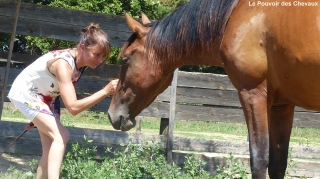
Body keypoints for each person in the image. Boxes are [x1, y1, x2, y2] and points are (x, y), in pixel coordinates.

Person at [7, 23, 118, 179]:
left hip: (46, 97)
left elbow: (54, 88)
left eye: (103, 57)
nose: (100, 60)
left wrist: (39, 118)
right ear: (83, 47)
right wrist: (106, 91)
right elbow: (72, 107)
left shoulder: (80, 65)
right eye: (97, 54)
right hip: (26, 92)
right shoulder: (64, 64)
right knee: (61, 136)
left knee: (49, 145)